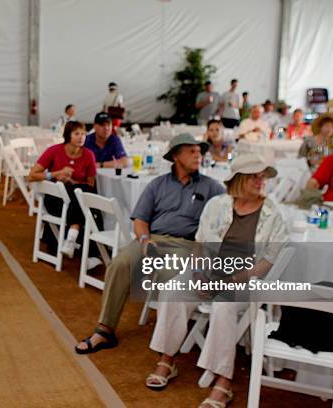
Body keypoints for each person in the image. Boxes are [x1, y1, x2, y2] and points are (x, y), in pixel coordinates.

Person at [145, 154, 288, 408]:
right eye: (255, 176)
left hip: (245, 278)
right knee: (173, 290)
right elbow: (200, 242)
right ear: (239, 179)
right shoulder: (217, 205)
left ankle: (223, 382)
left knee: (223, 303)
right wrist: (199, 273)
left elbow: (267, 262)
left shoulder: (271, 213)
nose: (261, 181)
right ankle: (167, 359)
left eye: (263, 176)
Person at [74, 134, 225, 354]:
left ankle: (166, 349)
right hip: (151, 239)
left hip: (186, 244)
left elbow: (230, 210)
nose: (198, 155)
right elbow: (141, 220)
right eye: (191, 151)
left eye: (199, 151)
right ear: (176, 156)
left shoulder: (211, 187)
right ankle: (104, 330)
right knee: (119, 265)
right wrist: (145, 240)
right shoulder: (157, 184)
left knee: (170, 275)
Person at [29, 121, 98, 259]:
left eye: (83, 134)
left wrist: (72, 182)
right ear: (68, 135)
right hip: (56, 199)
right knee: (89, 209)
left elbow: (91, 184)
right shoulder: (54, 151)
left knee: (80, 192)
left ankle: (72, 240)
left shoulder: (89, 155)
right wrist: (56, 174)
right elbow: (32, 175)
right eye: (76, 133)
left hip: (74, 200)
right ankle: (84, 247)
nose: (81, 137)